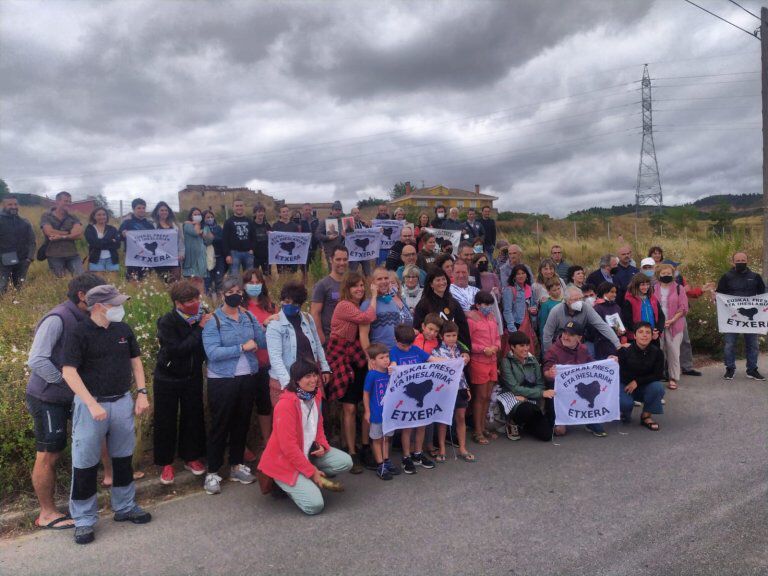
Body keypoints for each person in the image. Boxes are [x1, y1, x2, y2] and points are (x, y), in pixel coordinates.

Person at [62, 284, 152, 545]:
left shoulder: (123, 330)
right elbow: (69, 372)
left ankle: (124, 506)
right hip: (92, 405)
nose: (121, 308)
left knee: (123, 457)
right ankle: (84, 519)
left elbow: (135, 362)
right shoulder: (78, 333)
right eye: (116, 304)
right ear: (100, 307)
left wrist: (142, 393)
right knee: (85, 462)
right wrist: (91, 404)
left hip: (122, 401)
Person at [25, 273, 107, 531]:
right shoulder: (57, 318)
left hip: (73, 395)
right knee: (49, 452)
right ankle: (47, 513)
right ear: (83, 296)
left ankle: (108, 481)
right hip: (48, 396)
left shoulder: (85, 316)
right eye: (99, 296)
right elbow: (37, 360)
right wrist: (66, 383)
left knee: (97, 435)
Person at [258, 361, 353, 515]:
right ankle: (280, 482)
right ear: (296, 380)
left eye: (315, 375)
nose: (314, 379)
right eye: (308, 376)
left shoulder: (315, 395)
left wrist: (322, 444)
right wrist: (312, 472)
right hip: (284, 461)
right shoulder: (285, 405)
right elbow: (288, 447)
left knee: (345, 462)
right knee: (314, 506)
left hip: (307, 452)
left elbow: (319, 426)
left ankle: (304, 476)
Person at [201, 276, 267, 495]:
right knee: (220, 424)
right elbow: (212, 353)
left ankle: (237, 465)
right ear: (222, 295)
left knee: (242, 422)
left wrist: (272, 323)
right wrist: (241, 347)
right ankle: (212, 471)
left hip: (247, 376)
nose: (236, 296)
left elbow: (262, 340)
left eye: (239, 292)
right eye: (231, 293)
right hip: (222, 379)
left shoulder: (248, 316)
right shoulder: (213, 321)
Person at [153, 281, 210, 486]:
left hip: (192, 375)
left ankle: (191, 457)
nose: (195, 303)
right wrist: (199, 329)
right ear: (178, 303)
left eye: (196, 298)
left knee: (193, 417)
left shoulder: (202, 315)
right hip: (167, 377)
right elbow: (178, 349)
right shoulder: (167, 321)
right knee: (165, 419)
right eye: (189, 301)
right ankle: (166, 463)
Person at [326, 272, 378, 474]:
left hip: (358, 356)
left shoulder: (358, 305)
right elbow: (368, 317)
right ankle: (351, 451)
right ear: (347, 289)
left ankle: (365, 447)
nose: (359, 289)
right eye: (355, 286)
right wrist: (373, 296)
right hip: (342, 357)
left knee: (363, 404)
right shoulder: (344, 305)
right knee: (348, 408)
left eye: (362, 286)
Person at [266, 281, 331, 405]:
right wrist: (288, 384)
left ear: (300, 304)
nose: (289, 305)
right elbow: (275, 358)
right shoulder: (275, 324)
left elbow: (317, 344)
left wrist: (325, 368)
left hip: (310, 379)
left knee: (314, 420)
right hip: (287, 381)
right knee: (289, 421)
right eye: (286, 301)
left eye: (294, 303)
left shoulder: (308, 318)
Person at [388, 324, 439, 474]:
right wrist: (392, 367)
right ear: (395, 340)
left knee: (421, 424)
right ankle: (406, 456)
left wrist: (455, 361)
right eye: (403, 345)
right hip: (405, 397)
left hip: (420, 395)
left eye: (410, 344)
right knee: (407, 427)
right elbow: (393, 365)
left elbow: (432, 359)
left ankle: (418, 453)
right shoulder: (393, 352)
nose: (407, 348)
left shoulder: (415, 349)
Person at [542, 321, 607, 437]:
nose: (566, 337)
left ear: (579, 338)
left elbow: (593, 366)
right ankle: (558, 418)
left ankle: (589, 420)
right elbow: (546, 372)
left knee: (595, 387)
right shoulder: (553, 351)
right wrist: (550, 373)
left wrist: (609, 361)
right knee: (559, 431)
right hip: (559, 393)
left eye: (571, 335)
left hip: (579, 389)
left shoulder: (583, 349)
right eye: (564, 333)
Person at [243, 268, 278, 456]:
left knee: (266, 405)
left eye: (258, 282)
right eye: (251, 282)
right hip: (247, 365)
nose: (254, 286)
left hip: (267, 363)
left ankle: (267, 440)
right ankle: (242, 445)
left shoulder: (270, 305)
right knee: (245, 406)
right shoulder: (240, 306)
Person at [717, 251, 766, 380]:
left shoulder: (755, 277)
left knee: (753, 345)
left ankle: (752, 370)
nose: (740, 262)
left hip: (751, 319)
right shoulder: (726, 277)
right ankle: (730, 369)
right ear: (733, 262)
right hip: (732, 317)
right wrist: (715, 296)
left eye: (743, 260)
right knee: (729, 344)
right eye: (737, 260)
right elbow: (719, 294)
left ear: (747, 261)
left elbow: (764, 294)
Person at [499, 331, 553, 442]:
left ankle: (524, 425)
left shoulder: (533, 360)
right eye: (521, 346)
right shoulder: (506, 362)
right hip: (512, 396)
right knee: (527, 409)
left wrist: (530, 396)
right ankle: (512, 421)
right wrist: (541, 393)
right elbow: (514, 388)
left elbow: (540, 384)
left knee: (546, 435)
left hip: (530, 398)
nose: (525, 348)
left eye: (527, 345)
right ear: (513, 347)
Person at [432, 321, 474, 461]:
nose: (451, 338)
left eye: (454, 335)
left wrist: (467, 387)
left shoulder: (460, 350)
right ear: (442, 336)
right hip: (444, 390)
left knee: (461, 417)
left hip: (460, 387)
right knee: (444, 420)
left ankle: (462, 447)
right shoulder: (436, 352)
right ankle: (442, 448)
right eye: (448, 335)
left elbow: (461, 372)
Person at [542, 286, 620, 354]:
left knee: (591, 352)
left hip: (580, 342)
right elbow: (547, 334)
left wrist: (617, 344)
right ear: (567, 301)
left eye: (580, 298)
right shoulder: (556, 311)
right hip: (561, 343)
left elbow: (601, 325)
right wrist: (550, 353)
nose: (579, 302)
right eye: (575, 299)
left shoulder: (586, 307)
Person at [618, 322, 666, 431]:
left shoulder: (657, 352)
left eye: (648, 332)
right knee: (625, 404)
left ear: (652, 336)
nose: (644, 335)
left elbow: (658, 375)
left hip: (643, 386)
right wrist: (613, 356)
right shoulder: (624, 351)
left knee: (658, 388)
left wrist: (637, 382)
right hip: (625, 385)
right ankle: (624, 412)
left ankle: (646, 416)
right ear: (634, 336)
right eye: (640, 332)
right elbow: (617, 371)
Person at [467, 291, 501, 445]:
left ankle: (483, 426)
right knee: (480, 397)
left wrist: (495, 347)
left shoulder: (492, 318)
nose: (487, 307)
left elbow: (497, 338)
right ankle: (477, 431)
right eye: (484, 304)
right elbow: (468, 342)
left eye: (489, 304)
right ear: (478, 304)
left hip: (492, 360)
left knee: (487, 396)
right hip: (478, 361)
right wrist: (483, 349)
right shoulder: (471, 319)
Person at [363, 344, 401, 480]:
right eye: (381, 357)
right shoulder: (372, 375)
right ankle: (380, 465)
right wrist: (367, 411)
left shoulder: (391, 373)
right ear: (373, 361)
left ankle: (386, 460)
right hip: (377, 414)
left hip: (389, 414)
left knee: (387, 438)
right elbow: (366, 394)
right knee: (377, 439)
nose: (386, 360)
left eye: (387, 357)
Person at [413, 267, 471, 348]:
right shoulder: (423, 304)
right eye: (438, 280)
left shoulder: (454, 303)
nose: (442, 282)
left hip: (454, 349)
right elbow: (418, 329)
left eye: (443, 279)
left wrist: (466, 350)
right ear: (431, 284)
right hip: (432, 349)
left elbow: (463, 328)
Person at [360, 266, 413, 350]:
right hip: (379, 354)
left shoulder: (392, 301)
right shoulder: (367, 304)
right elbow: (363, 335)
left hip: (396, 352)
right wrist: (369, 357)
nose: (383, 281)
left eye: (386, 278)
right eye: (379, 279)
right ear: (372, 282)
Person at [655, 263, 688, 390]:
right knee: (658, 352)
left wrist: (672, 320)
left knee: (674, 352)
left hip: (675, 324)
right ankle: (656, 378)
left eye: (669, 273)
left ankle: (673, 378)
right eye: (663, 274)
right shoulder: (653, 288)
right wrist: (660, 322)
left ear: (673, 274)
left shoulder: (679, 288)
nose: (666, 276)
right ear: (659, 275)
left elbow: (683, 307)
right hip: (658, 324)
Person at [310, 246, 349, 345]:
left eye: (345, 259)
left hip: (349, 338)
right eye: (338, 259)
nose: (342, 263)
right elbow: (315, 313)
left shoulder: (350, 283)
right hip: (330, 338)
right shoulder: (322, 285)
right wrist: (320, 336)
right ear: (331, 260)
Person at [41, 191, 84, 278]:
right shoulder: (47, 216)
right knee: (60, 281)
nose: (68, 203)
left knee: (81, 278)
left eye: (69, 201)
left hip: (72, 254)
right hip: (54, 255)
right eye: (66, 201)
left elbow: (79, 235)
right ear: (57, 201)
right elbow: (49, 232)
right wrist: (68, 233)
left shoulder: (73, 217)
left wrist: (61, 236)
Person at [0, 195, 36, 293]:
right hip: (3, 263)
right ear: (3, 205)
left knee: (20, 288)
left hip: (22, 261)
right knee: (2, 287)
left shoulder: (24, 222)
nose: (13, 207)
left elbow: (32, 241)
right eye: (10, 204)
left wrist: (29, 258)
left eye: (15, 204)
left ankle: (17, 306)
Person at [621, 272, 664, 343]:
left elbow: (661, 316)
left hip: (653, 336)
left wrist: (658, 331)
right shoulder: (629, 300)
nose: (646, 287)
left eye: (647, 284)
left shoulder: (652, 298)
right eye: (642, 285)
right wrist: (642, 333)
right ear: (635, 285)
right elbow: (627, 321)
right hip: (636, 338)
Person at [118, 197, 154, 281]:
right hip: (133, 258)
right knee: (132, 281)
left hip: (147, 258)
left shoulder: (149, 225)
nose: (141, 210)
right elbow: (118, 237)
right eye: (139, 208)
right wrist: (122, 234)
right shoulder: (127, 223)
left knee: (146, 281)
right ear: (133, 209)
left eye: (143, 208)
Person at [591, 282, 626, 360]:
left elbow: (621, 322)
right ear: (604, 292)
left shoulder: (616, 307)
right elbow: (596, 328)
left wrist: (623, 331)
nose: (615, 294)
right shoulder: (597, 308)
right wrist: (614, 330)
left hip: (616, 343)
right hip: (603, 345)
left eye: (615, 292)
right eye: (612, 292)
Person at [152, 201, 184, 283]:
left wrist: (181, 253)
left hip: (174, 258)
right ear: (157, 212)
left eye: (166, 210)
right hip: (160, 260)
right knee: (164, 281)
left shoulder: (175, 226)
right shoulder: (153, 226)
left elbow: (180, 241)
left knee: (175, 281)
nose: (164, 212)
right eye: (161, 210)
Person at [182, 207, 212, 292]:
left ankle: (202, 301)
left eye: (199, 214)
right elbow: (195, 233)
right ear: (191, 216)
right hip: (192, 259)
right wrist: (197, 224)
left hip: (201, 257)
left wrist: (205, 234)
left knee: (201, 282)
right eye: (195, 214)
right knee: (192, 284)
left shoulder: (205, 227)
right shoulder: (187, 225)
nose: (197, 216)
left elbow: (209, 240)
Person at [222, 199, 255, 275]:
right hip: (234, 253)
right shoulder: (228, 222)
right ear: (233, 207)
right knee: (234, 276)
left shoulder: (249, 221)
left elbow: (254, 237)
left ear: (244, 207)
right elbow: (224, 240)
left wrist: (252, 249)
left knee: (249, 276)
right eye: (237, 206)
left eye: (241, 205)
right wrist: (227, 254)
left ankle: (247, 287)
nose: (239, 207)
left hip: (248, 253)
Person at [84, 207, 120, 274]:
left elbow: (117, 245)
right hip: (96, 259)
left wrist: (100, 242)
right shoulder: (89, 229)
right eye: (99, 215)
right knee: (98, 283)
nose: (102, 217)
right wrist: (111, 241)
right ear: (94, 216)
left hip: (112, 259)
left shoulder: (112, 229)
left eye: (104, 214)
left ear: (106, 216)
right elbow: (94, 243)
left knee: (113, 283)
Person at [502, 264, 537, 332]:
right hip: (517, 325)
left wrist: (534, 310)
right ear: (514, 277)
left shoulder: (529, 289)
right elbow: (507, 311)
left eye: (523, 273)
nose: (521, 276)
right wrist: (513, 329)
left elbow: (534, 305)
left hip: (529, 325)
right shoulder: (509, 290)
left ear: (526, 275)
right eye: (518, 274)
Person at [202, 210, 225, 295]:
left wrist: (212, 237)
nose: (210, 219)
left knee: (219, 279)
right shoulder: (202, 228)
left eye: (211, 217)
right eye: (207, 217)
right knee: (208, 280)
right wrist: (212, 238)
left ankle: (220, 299)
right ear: (203, 218)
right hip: (206, 257)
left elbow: (221, 239)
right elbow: (204, 241)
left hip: (219, 257)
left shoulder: (218, 228)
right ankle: (209, 300)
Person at [315, 200, 344, 266]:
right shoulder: (325, 221)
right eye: (336, 210)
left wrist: (343, 236)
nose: (338, 211)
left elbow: (341, 237)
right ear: (332, 210)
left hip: (341, 250)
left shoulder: (342, 222)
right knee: (333, 271)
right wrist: (328, 237)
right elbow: (317, 234)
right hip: (330, 251)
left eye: (339, 210)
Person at [538, 277, 564, 343]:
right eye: (554, 290)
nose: (558, 291)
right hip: (553, 335)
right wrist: (543, 339)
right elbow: (543, 323)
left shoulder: (565, 301)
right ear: (549, 292)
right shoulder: (546, 304)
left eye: (558, 289)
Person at [251, 204, 272, 277]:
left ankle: (268, 288)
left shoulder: (267, 225)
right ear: (255, 213)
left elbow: (273, 239)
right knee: (254, 276)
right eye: (259, 211)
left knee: (268, 275)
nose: (261, 213)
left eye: (262, 211)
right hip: (254, 255)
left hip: (266, 254)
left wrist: (270, 234)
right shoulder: (251, 225)